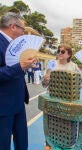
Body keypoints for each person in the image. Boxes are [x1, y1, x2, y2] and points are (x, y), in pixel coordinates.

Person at [0, 12, 35, 150]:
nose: (23, 32)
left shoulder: (15, 45)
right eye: (22, 29)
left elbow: (16, 71)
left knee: (22, 142)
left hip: (18, 103)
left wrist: (26, 65)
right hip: (3, 106)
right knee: (3, 144)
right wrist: (20, 66)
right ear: (13, 26)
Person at [42, 44, 81, 150]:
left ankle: (65, 145)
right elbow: (44, 85)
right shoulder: (52, 64)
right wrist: (45, 79)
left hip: (67, 101)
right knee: (50, 122)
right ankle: (48, 144)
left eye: (62, 52)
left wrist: (72, 86)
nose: (59, 53)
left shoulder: (74, 67)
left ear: (69, 54)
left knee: (65, 125)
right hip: (52, 99)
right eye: (58, 51)